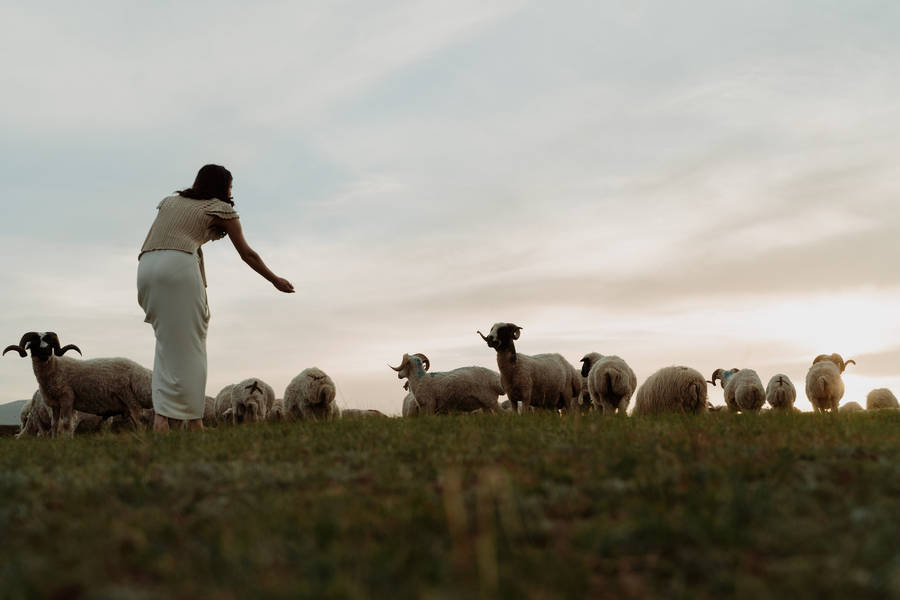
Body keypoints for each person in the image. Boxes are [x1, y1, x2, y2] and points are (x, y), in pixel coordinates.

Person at [137, 164, 294, 432]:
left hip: (146, 266)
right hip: (178, 265)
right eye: (230, 187)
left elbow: (164, 239)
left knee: (166, 345)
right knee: (193, 346)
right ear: (222, 187)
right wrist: (274, 279)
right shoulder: (221, 209)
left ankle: (161, 421)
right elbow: (247, 254)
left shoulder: (170, 202)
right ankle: (195, 422)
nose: (231, 192)